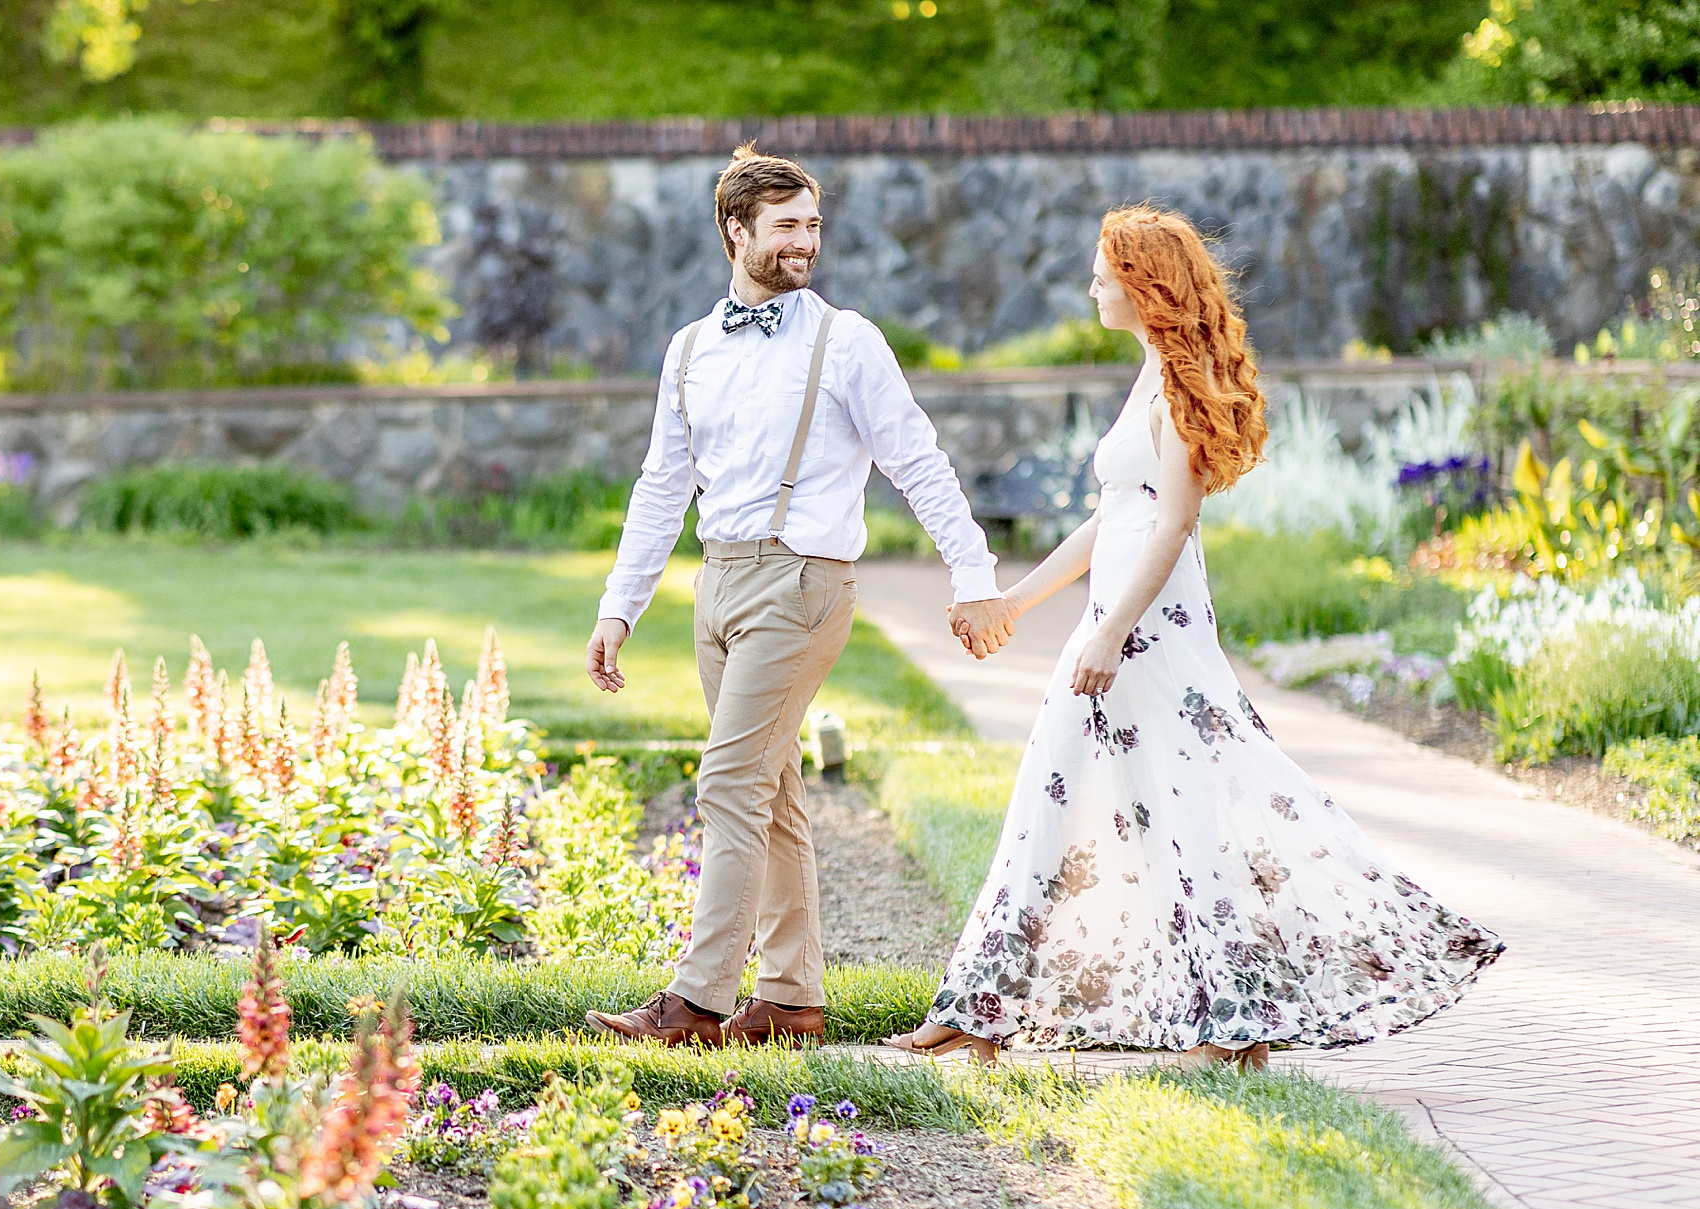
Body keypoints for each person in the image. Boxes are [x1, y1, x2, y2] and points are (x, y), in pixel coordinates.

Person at [887, 206, 1504, 1067]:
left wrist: (1109, 634)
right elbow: (1114, 520)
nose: (1092, 285)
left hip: (1152, 630)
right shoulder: (1146, 375)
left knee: (1186, 807)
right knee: (1057, 793)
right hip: (1117, 625)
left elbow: (1173, 525)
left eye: (1104, 272)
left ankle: (1227, 1019)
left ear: (1145, 285)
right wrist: (1015, 603)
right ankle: (986, 1006)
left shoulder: (1178, 384)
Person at [583, 143, 1014, 1048]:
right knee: (771, 789)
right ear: (735, 231)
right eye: (786, 226)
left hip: (804, 581)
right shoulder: (691, 348)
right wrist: (620, 606)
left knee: (729, 781)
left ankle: (696, 1000)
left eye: (813, 225)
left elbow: (918, 461)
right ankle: (789, 999)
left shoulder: (845, 340)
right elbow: (663, 483)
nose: (805, 242)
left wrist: (973, 575)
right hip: (721, 582)